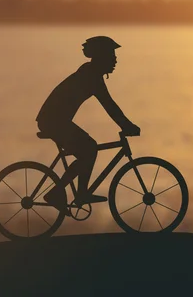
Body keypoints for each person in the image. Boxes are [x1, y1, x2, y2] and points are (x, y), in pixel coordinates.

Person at [37, 36, 140, 214]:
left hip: (54, 120)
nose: (115, 60)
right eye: (112, 56)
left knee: (88, 150)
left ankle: (75, 193)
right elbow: (110, 106)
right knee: (89, 148)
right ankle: (62, 193)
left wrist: (126, 125)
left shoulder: (90, 73)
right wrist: (127, 126)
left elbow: (111, 106)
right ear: (102, 57)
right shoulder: (91, 76)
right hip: (53, 121)